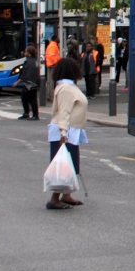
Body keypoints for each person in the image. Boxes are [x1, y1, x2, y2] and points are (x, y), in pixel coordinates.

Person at [46, 57, 88, 210]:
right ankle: (54, 199)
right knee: (63, 166)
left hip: (71, 130)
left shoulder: (68, 87)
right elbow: (64, 111)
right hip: (65, 131)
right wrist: (63, 132)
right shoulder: (66, 88)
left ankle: (67, 195)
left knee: (71, 165)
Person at [17, 44, 41, 120]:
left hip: (29, 83)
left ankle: (34, 115)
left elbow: (26, 73)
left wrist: (19, 81)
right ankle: (27, 113)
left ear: (29, 53)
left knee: (31, 99)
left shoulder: (30, 62)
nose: (24, 53)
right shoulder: (34, 60)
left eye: (25, 52)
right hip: (33, 82)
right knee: (25, 98)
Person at [43, 36, 61, 106]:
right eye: (58, 38)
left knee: (50, 81)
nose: (59, 39)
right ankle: (51, 97)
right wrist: (55, 63)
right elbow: (51, 56)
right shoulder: (54, 46)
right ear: (55, 39)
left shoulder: (51, 45)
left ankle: (49, 96)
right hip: (53, 66)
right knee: (52, 82)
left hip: (50, 65)